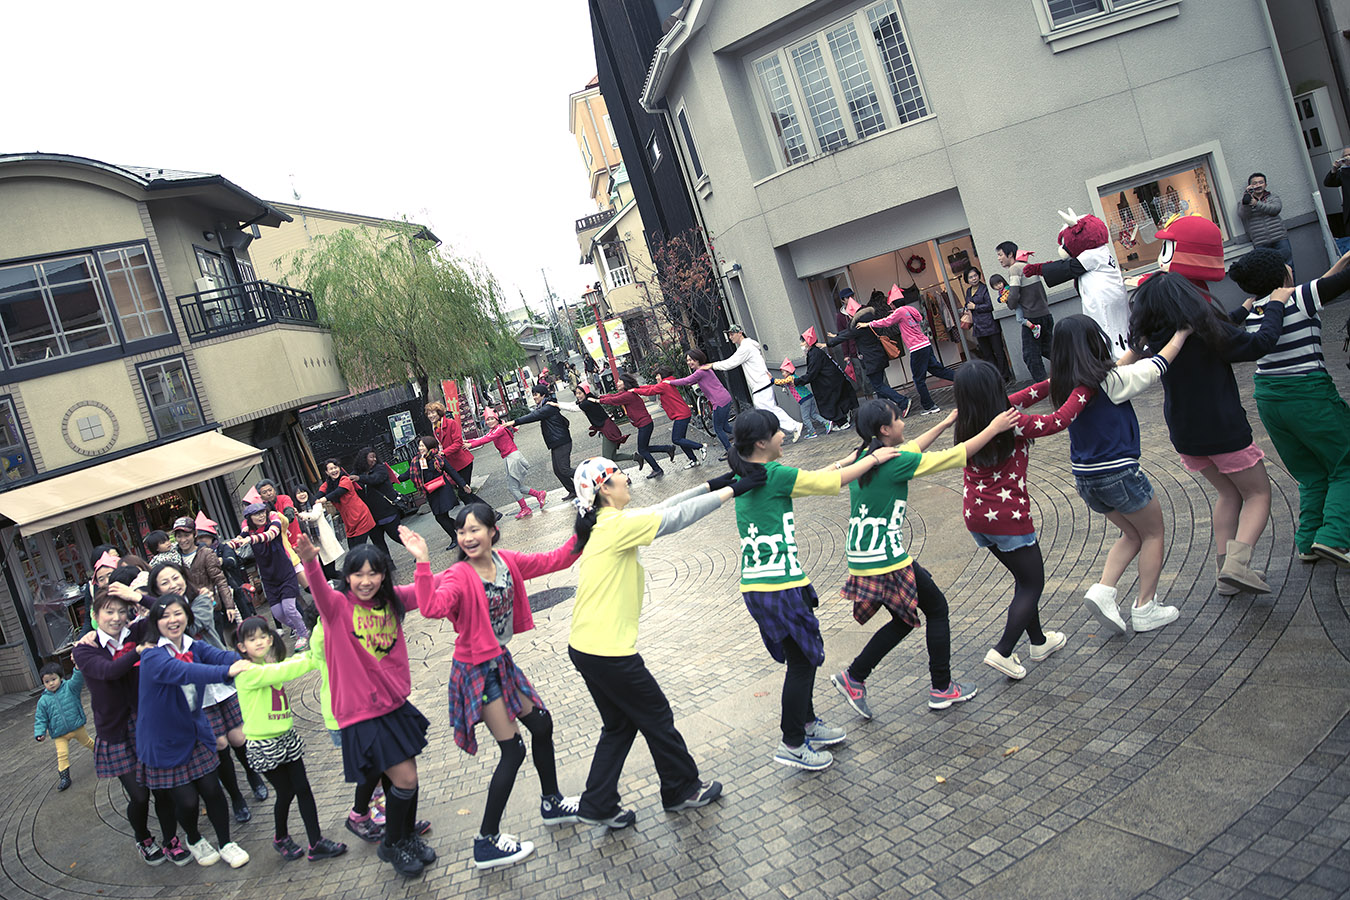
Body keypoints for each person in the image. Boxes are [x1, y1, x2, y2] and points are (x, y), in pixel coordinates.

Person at [567, 457, 757, 828]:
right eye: (619, 474)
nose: (626, 477)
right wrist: (734, 490)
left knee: (620, 726)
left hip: (587, 646)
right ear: (605, 488)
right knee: (656, 716)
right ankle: (682, 788)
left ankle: (598, 802)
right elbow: (674, 519)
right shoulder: (615, 526)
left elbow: (662, 508)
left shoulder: (608, 523)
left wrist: (712, 483)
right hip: (608, 650)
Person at [414, 506, 583, 870]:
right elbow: (430, 606)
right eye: (461, 532)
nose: (467, 537)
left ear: (493, 531)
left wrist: (583, 531)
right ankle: (486, 841)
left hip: (499, 661)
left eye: (474, 529)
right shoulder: (459, 575)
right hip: (476, 670)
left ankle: (552, 802)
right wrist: (424, 563)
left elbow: (554, 560)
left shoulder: (506, 561)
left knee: (541, 723)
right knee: (513, 750)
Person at [727, 410, 896, 771]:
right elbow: (825, 484)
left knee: (798, 659)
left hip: (764, 586)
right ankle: (792, 742)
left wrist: (844, 461)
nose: (784, 437)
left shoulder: (750, 473)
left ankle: (807, 725)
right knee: (803, 663)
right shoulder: (773, 474)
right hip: (778, 586)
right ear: (761, 442)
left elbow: (812, 478)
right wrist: (874, 459)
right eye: (778, 433)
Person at [832, 400, 1016, 720]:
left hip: (865, 555)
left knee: (905, 620)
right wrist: (993, 428)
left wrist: (945, 423)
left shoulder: (868, 456)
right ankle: (941, 688)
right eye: (899, 419)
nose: (904, 423)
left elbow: (913, 448)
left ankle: (855, 677)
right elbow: (954, 457)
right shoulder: (894, 461)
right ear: (885, 430)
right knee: (937, 609)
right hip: (885, 558)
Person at [1126, 273, 1285, 594]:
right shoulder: (1205, 331)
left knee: (1228, 494)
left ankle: (1225, 574)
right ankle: (1238, 566)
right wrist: (1276, 307)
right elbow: (1258, 344)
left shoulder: (1155, 340)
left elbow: (1224, 328)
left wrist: (1241, 311)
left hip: (1186, 434)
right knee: (1257, 494)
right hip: (1223, 428)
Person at [297, 536, 437, 879]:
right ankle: (392, 843)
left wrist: (422, 560)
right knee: (406, 780)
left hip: (393, 705)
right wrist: (310, 563)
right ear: (347, 578)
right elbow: (318, 590)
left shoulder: (390, 600)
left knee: (403, 783)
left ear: (383, 576)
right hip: (361, 713)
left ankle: (405, 838)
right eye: (357, 575)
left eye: (373, 573)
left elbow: (425, 595)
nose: (366, 581)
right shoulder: (337, 608)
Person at [1049, 316, 1191, 635]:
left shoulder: (1065, 383)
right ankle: (1145, 607)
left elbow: (1115, 372)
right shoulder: (1110, 381)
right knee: (1154, 532)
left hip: (1087, 478)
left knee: (1133, 535)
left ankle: (1103, 590)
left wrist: (1134, 351)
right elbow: (1156, 367)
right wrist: (1181, 333)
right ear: (1094, 343)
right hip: (1119, 474)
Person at [953, 360, 1086, 681]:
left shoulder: (971, 422)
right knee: (1032, 583)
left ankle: (1038, 642)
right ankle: (1003, 650)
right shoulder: (1011, 423)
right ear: (994, 391)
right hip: (1007, 517)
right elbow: (1059, 420)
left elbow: (1026, 395)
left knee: (1022, 579)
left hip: (977, 516)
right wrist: (1084, 388)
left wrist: (1059, 379)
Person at [1227, 247, 1350, 566]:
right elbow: (1334, 286)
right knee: (1345, 462)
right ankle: (1335, 537)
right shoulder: (1300, 296)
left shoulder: (1257, 310)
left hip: (1269, 399)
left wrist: (1342, 260)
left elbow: (1323, 285)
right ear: (1282, 274)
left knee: (1310, 473)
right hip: (1308, 395)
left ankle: (1308, 541)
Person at [137, 595, 253, 868]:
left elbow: (219, 654)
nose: (172, 620)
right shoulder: (153, 656)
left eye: (178, 613)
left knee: (212, 789)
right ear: (156, 623)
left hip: (194, 729)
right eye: (165, 616)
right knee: (188, 801)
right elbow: (186, 672)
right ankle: (193, 838)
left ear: (187, 616)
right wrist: (227, 671)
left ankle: (226, 842)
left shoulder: (195, 645)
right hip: (163, 740)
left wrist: (245, 656)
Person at [147, 559, 266, 823]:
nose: (172, 585)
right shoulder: (156, 620)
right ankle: (235, 796)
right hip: (191, 686)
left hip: (219, 675)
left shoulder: (200, 598)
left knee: (238, 737)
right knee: (219, 742)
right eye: (164, 583)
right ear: (155, 591)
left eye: (175, 578)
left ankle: (253, 774)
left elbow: (194, 625)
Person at [73, 592, 184, 865]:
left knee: (162, 789)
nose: (116, 618)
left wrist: (135, 596)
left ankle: (171, 839)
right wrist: (136, 651)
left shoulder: (136, 631)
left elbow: (165, 610)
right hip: (115, 730)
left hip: (148, 723)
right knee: (139, 795)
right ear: (95, 615)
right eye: (109, 612)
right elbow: (108, 672)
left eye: (122, 611)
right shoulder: (84, 649)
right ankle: (143, 837)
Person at [233, 616, 348, 862]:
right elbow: (284, 670)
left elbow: (286, 664)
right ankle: (280, 837)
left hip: (287, 737)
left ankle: (316, 842)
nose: (260, 642)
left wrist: (318, 646)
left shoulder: (269, 664)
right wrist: (313, 658)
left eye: (263, 636)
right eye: (252, 639)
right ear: (242, 646)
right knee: (285, 793)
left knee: (303, 788)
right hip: (264, 745)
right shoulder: (247, 673)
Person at [865, 287, 957, 416]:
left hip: (917, 348)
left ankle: (929, 406)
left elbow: (887, 322)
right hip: (925, 344)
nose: (889, 305)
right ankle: (963, 378)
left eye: (890, 303)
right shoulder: (910, 309)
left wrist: (870, 324)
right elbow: (918, 318)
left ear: (893, 303)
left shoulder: (900, 312)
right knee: (937, 370)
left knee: (918, 380)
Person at [230, 502, 311, 649]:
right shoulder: (248, 529)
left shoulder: (273, 522)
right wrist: (229, 545)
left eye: (262, 512)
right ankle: (303, 626)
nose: (261, 516)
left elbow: (270, 535)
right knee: (278, 613)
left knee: (289, 608)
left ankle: (303, 633)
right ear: (249, 517)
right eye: (256, 514)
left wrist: (251, 539)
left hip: (285, 571)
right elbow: (239, 539)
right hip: (268, 578)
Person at [707, 325, 805, 442]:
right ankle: (777, 434)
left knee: (768, 411)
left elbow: (731, 363)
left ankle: (792, 427)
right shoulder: (747, 346)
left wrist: (713, 365)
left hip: (760, 384)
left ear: (740, 333)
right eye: (729, 334)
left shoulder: (746, 347)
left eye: (732, 334)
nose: (730, 337)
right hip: (761, 383)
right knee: (766, 411)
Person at [828, 304, 914, 417]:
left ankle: (902, 401)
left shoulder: (860, 326)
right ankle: (883, 411)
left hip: (871, 359)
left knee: (878, 386)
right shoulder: (868, 320)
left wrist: (829, 343)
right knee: (879, 386)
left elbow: (848, 334)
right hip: (878, 357)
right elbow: (848, 332)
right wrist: (837, 335)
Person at [466, 411, 548, 520]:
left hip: (512, 457)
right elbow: (482, 438)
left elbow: (486, 439)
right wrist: (466, 441)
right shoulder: (494, 430)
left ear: (497, 419)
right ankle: (538, 494)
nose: (489, 421)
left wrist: (470, 445)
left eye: (491, 419)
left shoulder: (499, 429)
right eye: (487, 419)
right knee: (516, 486)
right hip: (510, 458)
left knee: (513, 487)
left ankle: (525, 508)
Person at [598, 374, 677, 478]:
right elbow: (614, 396)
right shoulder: (627, 393)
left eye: (619, 381)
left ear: (625, 383)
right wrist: (600, 397)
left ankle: (657, 469)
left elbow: (613, 400)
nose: (617, 383)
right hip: (644, 424)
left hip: (645, 424)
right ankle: (668, 449)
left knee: (642, 450)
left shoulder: (628, 395)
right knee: (645, 448)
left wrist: (598, 401)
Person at [169, 516, 239, 630]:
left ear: (194, 534)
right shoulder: (174, 557)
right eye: (179, 536)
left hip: (210, 607)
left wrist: (229, 606)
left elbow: (220, 580)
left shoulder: (206, 553)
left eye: (186, 535)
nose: (183, 540)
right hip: (188, 611)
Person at [997, 242, 1055, 381]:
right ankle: (1072, 367)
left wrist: (1009, 303)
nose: (999, 259)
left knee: (1030, 355)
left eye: (1000, 255)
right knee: (1049, 349)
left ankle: (1044, 386)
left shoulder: (1014, 269)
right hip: (1045, 314)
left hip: (1032, 318)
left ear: (1010, 254)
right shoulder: (1027, 266)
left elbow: (1014, 294)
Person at [35, 661, 95, 791]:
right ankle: (64, 778)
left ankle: (102, 753)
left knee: (89, 743)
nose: (51, 683)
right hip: (59, 734)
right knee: (62, 754)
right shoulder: (43, 701)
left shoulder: (70, 688)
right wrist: (40, 732)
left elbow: (77, 680)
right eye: (47, 681)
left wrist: (78, 668)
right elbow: (40, 718)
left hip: (76, 727)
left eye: (53, 679)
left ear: (61, 677)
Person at [510, 383, 576, 497]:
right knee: (558, 470)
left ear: (543, 395)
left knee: (564, 469)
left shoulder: (548, 407)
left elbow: (534, 416)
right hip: (556, 442)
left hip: (562, 441)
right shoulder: (543, 406)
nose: (534, 397)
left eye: (536, 394)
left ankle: (588, 475)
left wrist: (515, 422)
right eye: (533, 395)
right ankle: (573, 490)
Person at [633, 368, 707, 467]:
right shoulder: (666, 383)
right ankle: (694, 460)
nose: (656, 377)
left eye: (657, 375)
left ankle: (700, 447)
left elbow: (650, 391)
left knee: (676, 439)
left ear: (661, 375)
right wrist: (637, 388)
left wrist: (634, 390)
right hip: (682, 414)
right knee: (681, 439)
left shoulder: (664, 385)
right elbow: (651, 387)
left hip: (681, 415)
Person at [668, 349, 735, 456]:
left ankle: (730, 451)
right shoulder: (705, 369)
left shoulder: (699, 372)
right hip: (725, 398)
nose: (689, 362)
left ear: (697, 359)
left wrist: (669, 382)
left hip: (719, 402)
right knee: (725, 426)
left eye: (691, 360)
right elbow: (692, 381)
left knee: (718, 429)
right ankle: (748, 436)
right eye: (687, 360)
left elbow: (687, 380)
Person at [556, 385, 639, 464]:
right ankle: (636, 457)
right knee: (611, 457)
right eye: (576, 393)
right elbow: (572, 404)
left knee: (607, 459)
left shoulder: (587, 403)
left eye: (580, 393)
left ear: (585, 393)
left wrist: (556, 405)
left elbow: (573, 408)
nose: (578, 395)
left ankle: (618, 475)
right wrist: (557, 403)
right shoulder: (587, 400)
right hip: (607, 428)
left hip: (608, 430)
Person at [1238, 172, 1294, 280]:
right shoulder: (1245, 201)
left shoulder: (1273, 198)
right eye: (1255, 183)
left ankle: (1291, 294)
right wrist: (1247, 199)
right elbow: (1243, 215)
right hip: (1261, 242)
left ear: (1265, 185)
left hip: (1279, 239)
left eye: (1261, 182)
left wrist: (1256, 204)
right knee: (1266, 272)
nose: (1258, 185)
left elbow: (1275, 210)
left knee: (1288, 267)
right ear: (1250, 186)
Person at [353, 447, 407, 557]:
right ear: (363, 459)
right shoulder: (357, 472)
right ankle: (388, 565)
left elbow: (375, 479)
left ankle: (417, 551)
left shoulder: (381, 469)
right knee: (378, 542)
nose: (373, 459)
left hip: (388, 510)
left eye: (374, 457)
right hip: (371, 514)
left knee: (396, 535)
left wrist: (359, 478)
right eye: (370, 457)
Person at [962, 268, 1014, 382]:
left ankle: (1005, 375)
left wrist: (976, 307)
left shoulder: (985, 288)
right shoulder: (968, 291)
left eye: (975, 275)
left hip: (990, 324)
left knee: (998, 351)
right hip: (978, 327)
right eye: (970, 277)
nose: (974, 278)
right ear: (967, 279)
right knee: (987, 354)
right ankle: (995, 376)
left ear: (979, 276)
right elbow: (968, 304)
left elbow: (990, 305)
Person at [318, 460, 378, 550]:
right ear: (327, 472)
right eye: (331, 469)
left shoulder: (345, 479)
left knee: (358, 550)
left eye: (335, 467)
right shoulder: (327, 484)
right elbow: (319, 494)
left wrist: (324, 499)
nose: (334, 470)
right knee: (353, 551)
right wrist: (311, 502)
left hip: (360, 517)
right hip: (349, 522)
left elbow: (339, 491)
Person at [292, 485, 344, 581]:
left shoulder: (316, 504)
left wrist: (300, 515)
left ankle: (349, 579)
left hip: (323, 542)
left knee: (331, 572)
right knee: (322, 576)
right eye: (298, 493)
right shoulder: (295, 510)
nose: (302, 495)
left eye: (303, 491)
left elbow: (314, 516)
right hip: (312, 545)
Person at [426, 400, 478, 489]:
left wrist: (443, 453)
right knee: (464, 492)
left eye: (433, 413)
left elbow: (458, 443)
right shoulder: (435, 427)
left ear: (439, 413)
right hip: (451, 465)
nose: (431, 416)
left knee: (464, 492)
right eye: (429, 414)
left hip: (462, 462)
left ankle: (479, 503)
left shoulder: (451, 423)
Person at [776, 358, 830, 438]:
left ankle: (812, 432)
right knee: (813, 414)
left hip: (804, 399)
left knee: (805, 418)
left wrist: (772, 380)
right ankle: (826, 422)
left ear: (789, 371)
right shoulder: (793, 377)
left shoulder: (790, 378)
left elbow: (781, 382)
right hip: (809, 396)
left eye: (784, 372)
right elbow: (783, 384)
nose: (783, 374)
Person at [1325, 148, 1350, 255]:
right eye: (1345, 155)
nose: (1348, 157)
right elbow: (1328, 183)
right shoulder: (1343, 172)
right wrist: (1334, 169)